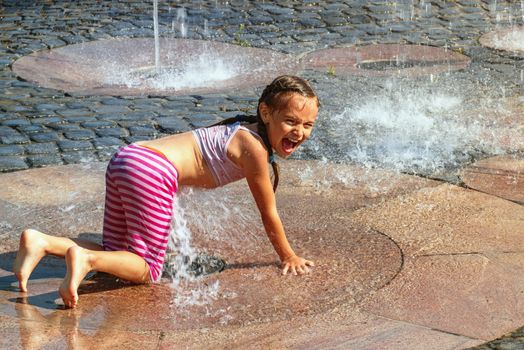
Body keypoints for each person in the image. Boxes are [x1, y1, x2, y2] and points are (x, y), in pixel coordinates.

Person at [13, 75, 320, 308]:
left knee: (115, 250)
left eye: (308, 124)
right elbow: (268, 212)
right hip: (153, 172)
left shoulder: (243, 130)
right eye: (291, 121)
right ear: (266, 113)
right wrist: (288, 256)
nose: (299, 132)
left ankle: (41, 242)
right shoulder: (252, 149)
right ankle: (84, 259)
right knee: (147, 267)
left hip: (129, 157)